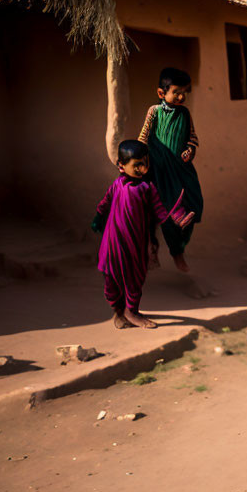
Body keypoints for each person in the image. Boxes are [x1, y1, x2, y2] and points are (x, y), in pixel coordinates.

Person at [93, 140, 194, 329]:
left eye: (145, 163)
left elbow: (160, 210)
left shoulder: (148, 188)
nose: (143, 168)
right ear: (120, 165)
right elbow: (105, 202)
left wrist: (176, 220)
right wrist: (98, 217)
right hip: (113, 242)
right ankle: (119, 311)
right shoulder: (117, 185)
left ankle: (132, 311)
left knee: (134, 279)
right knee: (110, 281)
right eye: (137, 164)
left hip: (135, 243)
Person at [138, 68, 203, 271]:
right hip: (159, 172)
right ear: (161, 93)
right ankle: (174, 253)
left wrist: (189, 150)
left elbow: (192, 137)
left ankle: (179, 246)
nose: (181, 96)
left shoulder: (185, 113)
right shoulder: (154, 112)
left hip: (181, 171)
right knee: (166, 214)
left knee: (194, 206)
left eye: (184, 91)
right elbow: (143, 137)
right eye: (176, 91)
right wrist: (137, 161)